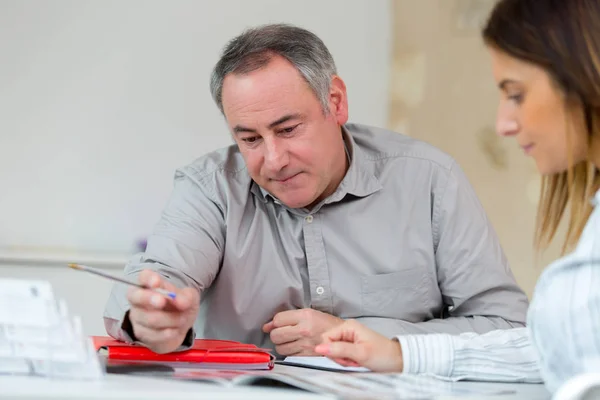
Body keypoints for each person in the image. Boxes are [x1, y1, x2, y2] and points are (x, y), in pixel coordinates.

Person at [103, 23, 528, 357]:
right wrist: (147, 314)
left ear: (336, 102)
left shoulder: (429, 179)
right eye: (249, 139)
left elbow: (507, 327)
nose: (273, 159)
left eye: (288, 129)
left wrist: (367, 337)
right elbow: (157, 279)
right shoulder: (210, 187)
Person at [314, 0, 600, 394]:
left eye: (516, 94)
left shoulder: (432, 175)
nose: (503, 124)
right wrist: (401, 354)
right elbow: (553, 349)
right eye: (249, 138)